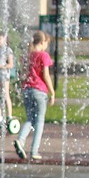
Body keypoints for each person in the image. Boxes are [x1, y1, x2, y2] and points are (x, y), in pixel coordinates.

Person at [13, 31, 54, 161]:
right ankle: (34, 150)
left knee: (30, 119)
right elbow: (46, 75)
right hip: (39, 91)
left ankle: (20, 140)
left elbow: (23, 73)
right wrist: (52, 92)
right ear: (42, 43)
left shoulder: (27, 55)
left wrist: (21, 86)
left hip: (27, 90)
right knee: (40, 120)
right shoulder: (44, 55)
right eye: (46, 43)